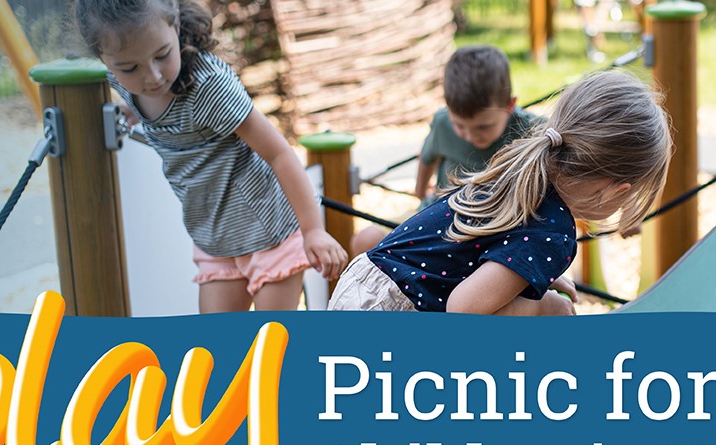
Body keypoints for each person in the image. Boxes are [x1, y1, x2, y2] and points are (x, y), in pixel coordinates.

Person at [75, 0, 347, 313]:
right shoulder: (123, 84)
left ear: (175, 26)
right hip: (215, 238)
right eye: (130, 68)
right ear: (105, 59)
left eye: (163, 55)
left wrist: (313, 230)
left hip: (269, 230)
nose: (153, 77)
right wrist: (133, 110)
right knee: (216, 351)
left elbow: (278, 153)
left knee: (272, 349)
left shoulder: (208, 86)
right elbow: (146, 98)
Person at [329, 71, 672, 315]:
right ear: (616, 189)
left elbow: (485, 248)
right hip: (392, 314)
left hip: (362, 291)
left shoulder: (517, 172)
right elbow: (463, 310)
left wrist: (532, 274)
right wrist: (544, 310)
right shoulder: (554, 232)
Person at [350, 45, 545, 256]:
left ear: (509, 106)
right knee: (365, 240)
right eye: (460, 126)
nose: (470, 136)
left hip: (496, 226)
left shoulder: (532, 131)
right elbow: (427, 158)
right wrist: (420, 190)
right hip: (438, 214)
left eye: (483, 127)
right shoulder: (442, 123)